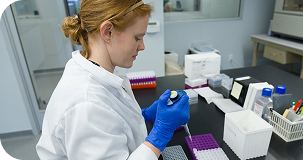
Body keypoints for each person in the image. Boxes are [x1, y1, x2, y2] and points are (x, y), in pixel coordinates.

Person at [36, 0, 190, 159]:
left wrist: (143, 116)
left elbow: (111, 118)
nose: (142, 46)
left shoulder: (94, 69)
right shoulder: (87, 105)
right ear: (108, 31)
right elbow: (101, 114)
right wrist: (160, 134)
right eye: (137, 38)